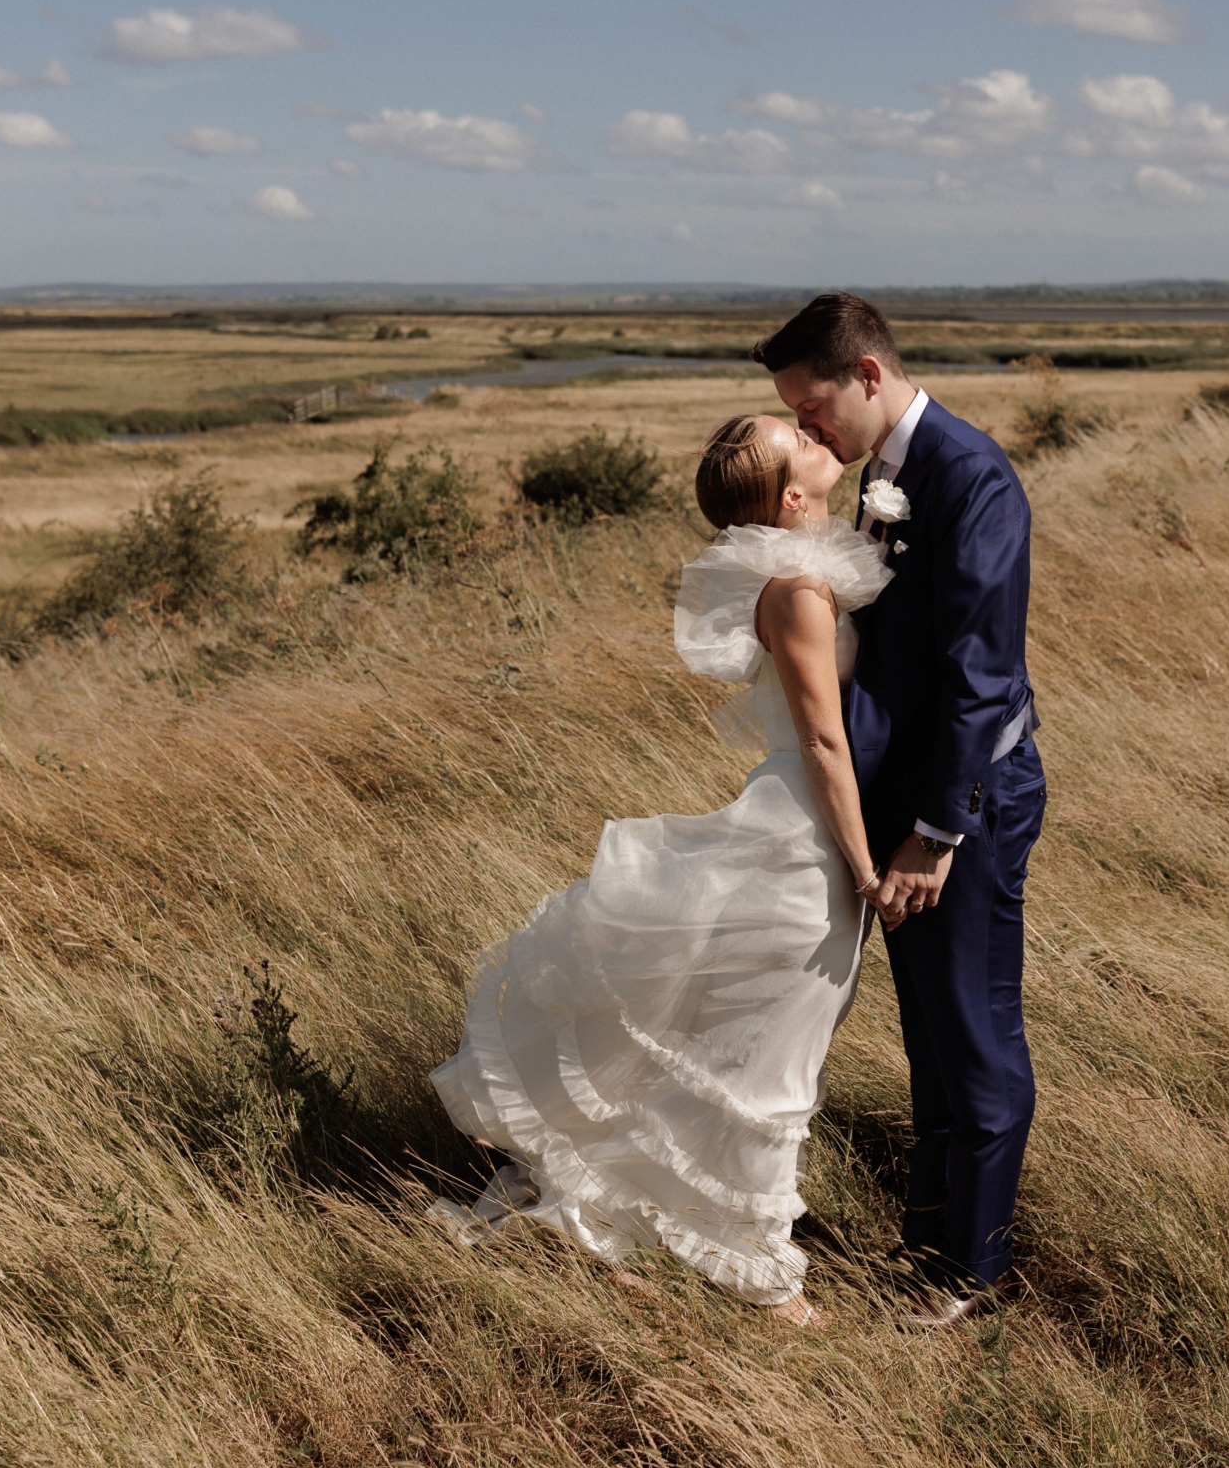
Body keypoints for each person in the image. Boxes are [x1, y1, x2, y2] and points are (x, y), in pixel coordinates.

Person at [428, 410, 894, 1329]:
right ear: (793, 497)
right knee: (773, 1063)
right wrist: (870, 870)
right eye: (794, 440)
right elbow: (825, 743)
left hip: (806, 832)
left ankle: (595, 1220)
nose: (812, 431)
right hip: (807, 846)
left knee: (725, 1047)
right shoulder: (797, 592)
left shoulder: (813, 570)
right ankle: (769, 1280)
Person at [755, 292, 1044, 1331]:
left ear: (867, 374)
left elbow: (981, 678)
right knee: (928, 1036)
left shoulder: (972, 478)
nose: (809, 430)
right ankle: (926, 1248)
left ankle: (971, 1277)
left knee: (974, 1038)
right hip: (900, 813)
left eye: (813, 405)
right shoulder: (882, 475)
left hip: (957, 813)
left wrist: (935, 832)